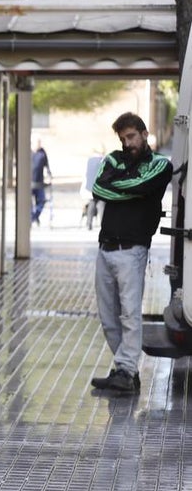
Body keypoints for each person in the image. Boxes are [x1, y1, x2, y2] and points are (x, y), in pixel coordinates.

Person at [89, 112, 172, 394]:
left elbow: (145, 185)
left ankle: (125, 370)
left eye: (131, 136)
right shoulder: (113, 158)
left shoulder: (161, 164)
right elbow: (99, 188)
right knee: (108, 316)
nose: (127, 143)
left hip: (133, 250)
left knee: (129, 315)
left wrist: (121, 184)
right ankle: (127, 370)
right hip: (105, 249)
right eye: (123, 138)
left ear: (144, 133)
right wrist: (131, 188)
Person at [31, 138, 52, 225]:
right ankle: (32, 218)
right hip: (29, 182)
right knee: (28, 203)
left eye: (40, 143)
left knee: (41, 201)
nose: (39, 145)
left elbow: (46, 164)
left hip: (39, 182)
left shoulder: (42, 153)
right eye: (37, 143)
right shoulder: (27, 151)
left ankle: (34, 217)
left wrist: (49, 174)